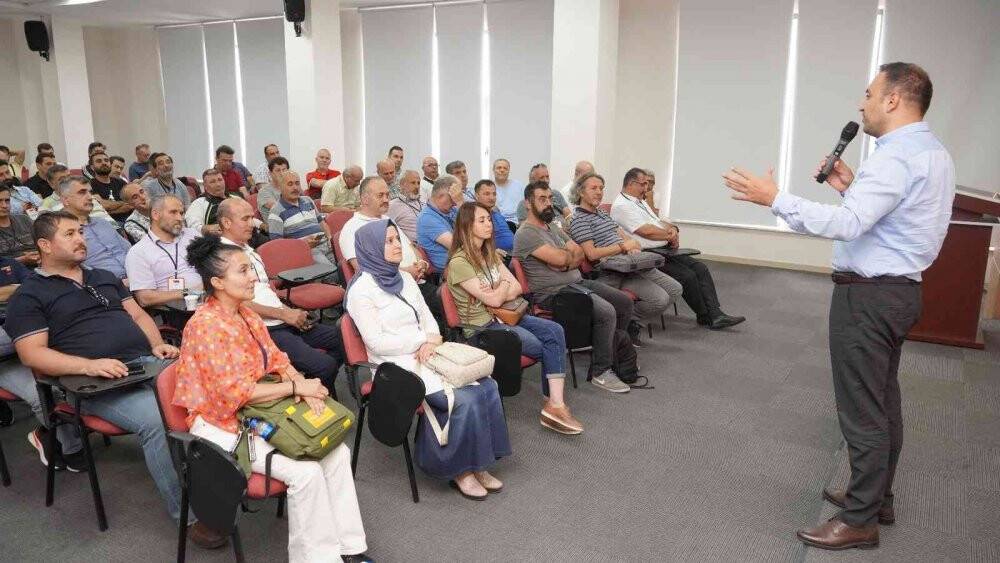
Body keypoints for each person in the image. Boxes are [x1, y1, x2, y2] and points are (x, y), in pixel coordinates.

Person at [724, 62, 954, 551]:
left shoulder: (895, 157)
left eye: (869, 93)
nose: (862, 103)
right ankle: (876, 497)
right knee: (882, 402)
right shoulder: (931, 152)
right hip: (899, 291)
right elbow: (890, 222)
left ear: (893, 100)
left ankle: (859, 519)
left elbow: (849, 226)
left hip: (868, 298)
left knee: (861, 410)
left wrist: (775, 198)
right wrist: (851, 188)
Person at [4, 211, 225, 548]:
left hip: (144, 362)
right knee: (159, 418)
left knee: (211, 389)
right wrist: (89, 366)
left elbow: (136, 313)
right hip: (94, 382)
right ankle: (190, 516)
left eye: (80, 231)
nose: (81, 239)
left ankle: (225, 482)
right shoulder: (30, 295)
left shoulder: (103, 275)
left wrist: (157, 344)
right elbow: (32, 354)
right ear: (45, 245)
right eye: (70, 234)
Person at [175, 235, 370, 561]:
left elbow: (276, 359)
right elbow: (232, 394)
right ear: (218, 282)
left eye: (251, 268)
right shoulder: (204, 326)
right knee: (306, 473)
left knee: (336, 453)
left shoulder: (245, 314)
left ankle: (350, 548)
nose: (254, 277)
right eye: (243, 271)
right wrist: (297, 389)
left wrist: (301, 383)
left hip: (260, 409)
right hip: (221, 423)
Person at [346, 219, 510, 500]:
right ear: (371, 248)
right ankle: (459, 470)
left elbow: (428, 319)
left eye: (397, 239)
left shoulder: (406, 278)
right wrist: (421, 342)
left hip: (429, 352)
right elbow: (376, 342)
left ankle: (479, 462)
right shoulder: (361, 292)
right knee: (464, 398)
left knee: (487, 386)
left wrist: (432, 339)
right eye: (389, 241)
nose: (398, 245)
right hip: (394, 366)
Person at [448, 202, 582, 435]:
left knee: (555, 331)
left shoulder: (488, 254)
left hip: (507, 316)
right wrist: (500, 288)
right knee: (543, 346)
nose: (489, 224)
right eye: (481, 221)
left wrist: (497, 290)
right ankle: (554, 406)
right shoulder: (459, 263)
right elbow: (493, 302)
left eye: (489, 219)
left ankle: (555, 404)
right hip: (482, 327)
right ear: (466, 226)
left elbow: (517, 286)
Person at [513, 181, 635, 393]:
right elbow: (563, 257)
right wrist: (565, 259)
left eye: (550, 198)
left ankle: (611, 352)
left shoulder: (551, 226)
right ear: (527, 203)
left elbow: (577, 252)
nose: (548, 203)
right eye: (542, 199)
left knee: (622, 302)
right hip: (553, 294)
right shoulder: (526, 233)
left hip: (575, 282)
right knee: (606, 312)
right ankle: (601, 371)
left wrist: (565, 260)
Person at [219, 198, 345, 392]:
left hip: (281, 319)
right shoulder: (220, 256)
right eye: (245, 219)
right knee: (325, 365)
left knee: (342, 338)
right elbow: (236, 304)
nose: (252, 223)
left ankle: (310, 383)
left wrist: (289, 311)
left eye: (252, 217)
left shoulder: (247, 249)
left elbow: (266, 290)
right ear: (227, 223)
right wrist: (284, 314)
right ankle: (315, 396)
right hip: (263, 329)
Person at [612, 167, 745, 330]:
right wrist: (669, 235)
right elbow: (646, 231)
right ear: (631, 184)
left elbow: (658, 222)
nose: (647, 188)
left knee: (700, 268)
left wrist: (673, 229)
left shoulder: (640, 202)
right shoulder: (621, 205)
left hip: (663, 248)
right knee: (687, 276)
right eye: (644, 184)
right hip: (647, 254)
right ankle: (707, 315)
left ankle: (715, 313)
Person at [569, 172, 680, 346]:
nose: (599, 192)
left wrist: (631, 245)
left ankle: (630, 322)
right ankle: (628, 323)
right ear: (581, 192)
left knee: (674, 289)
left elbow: (623, 236)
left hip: (630, 263)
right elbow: (591, 254)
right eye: (594, 188)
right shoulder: (579, 220)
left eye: (601, 188)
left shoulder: (602, 214)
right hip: (612, 270)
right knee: (660, 299)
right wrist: (622, 247)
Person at [0, 254, 84, 472]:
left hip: (34, 335)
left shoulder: (7, 262)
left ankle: (50, 434)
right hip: (8, 358)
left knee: (85, 369)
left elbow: (36, 286)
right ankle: (71, 449)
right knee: (44, 393)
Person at [340, 177, 440, 324]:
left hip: (415, 282)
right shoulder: (352, 228)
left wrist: (421, 263)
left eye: (387, 195)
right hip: (391, 291)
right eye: (380, 195)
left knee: (449, 298)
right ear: (364, 199)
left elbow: (411, 246)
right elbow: (363, 269)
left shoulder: (387, 220)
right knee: (444, 303)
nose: (386, 199)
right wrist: (407, 272)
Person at [125, 194, 202, 308]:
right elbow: (144, 298)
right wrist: (188, 292)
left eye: (181, 213)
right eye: (173, 212)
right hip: (178, 312)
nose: (180, 218)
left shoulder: (192, 235)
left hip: (212, 299)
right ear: (155, 215)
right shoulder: (139, 252)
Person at [58, 176, 131, 280]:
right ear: (66, 200)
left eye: (90, 192)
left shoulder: (103, 223)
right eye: (82, 192)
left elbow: (129, 250)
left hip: (137, 277)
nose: (90, 197)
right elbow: (74, 268)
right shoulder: (62, 231)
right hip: (103, 285)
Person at [267, 170, 336, 265]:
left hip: (326, 244)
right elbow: (277, 244)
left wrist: (329, 237)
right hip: (306, 250)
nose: (295, 187)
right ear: (281, 187)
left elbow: (321, 222)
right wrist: (302, 244)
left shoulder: (308, 200)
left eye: (297, 183)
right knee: (332, 273)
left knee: (346, 265)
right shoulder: (276, 212)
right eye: (290, 184)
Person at [416, 175, 463, 272]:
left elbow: (476, 226)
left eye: (457, 197)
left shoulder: (452, 209)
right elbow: (459, 246)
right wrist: (460, 202)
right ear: (440, 196)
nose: (455, 203)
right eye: (453, 198)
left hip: (463, 266)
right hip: (450, 274)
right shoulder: (427, 218)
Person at [186, 168, 241, 236]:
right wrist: (209, 228)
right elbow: (193, 227)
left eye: (220, 180)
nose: (218, 184)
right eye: (212, 182)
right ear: (205, 186)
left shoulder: (237, 199)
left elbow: (250, 218)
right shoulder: (199, 203)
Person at [472, 180, 514, 255]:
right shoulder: (475, 216)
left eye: (494, 194)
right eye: (487, 194)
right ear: (476, 195)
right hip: (498, 256)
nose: (492, 198)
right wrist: (491, 253)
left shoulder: (496, 212)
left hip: (515, 252)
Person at [87, 152, 131, 222]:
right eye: (99, 161)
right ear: (92, 167)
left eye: (106, 160)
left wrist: (109, 210)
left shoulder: (121, 182)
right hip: (109, 223)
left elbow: (132, 203)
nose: (104, 163)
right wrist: (122, 203)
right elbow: (102, 205)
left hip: (130, 220)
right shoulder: (90, 185)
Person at [0, 186, 39, 266]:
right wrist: (22, 260)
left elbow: (43, 242)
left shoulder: (24, 219)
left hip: (40, 267)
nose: (4, 205)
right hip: (9, 274)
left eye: (7, 200)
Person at [386, 170, 424, 241]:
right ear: (402, 184)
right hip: (410, 247)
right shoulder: (392, 206)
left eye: (418, 183)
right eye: (413, 183)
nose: (417, 186)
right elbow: (386, 230)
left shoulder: (423, 203)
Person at [491, 158, 524, 227]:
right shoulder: (489, 188)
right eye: (499, 168)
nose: (502, 170)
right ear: (493, 170)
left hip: (517, 224)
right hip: (497, 223)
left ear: (509, 171)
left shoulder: (518, 185)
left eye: (505, 168)